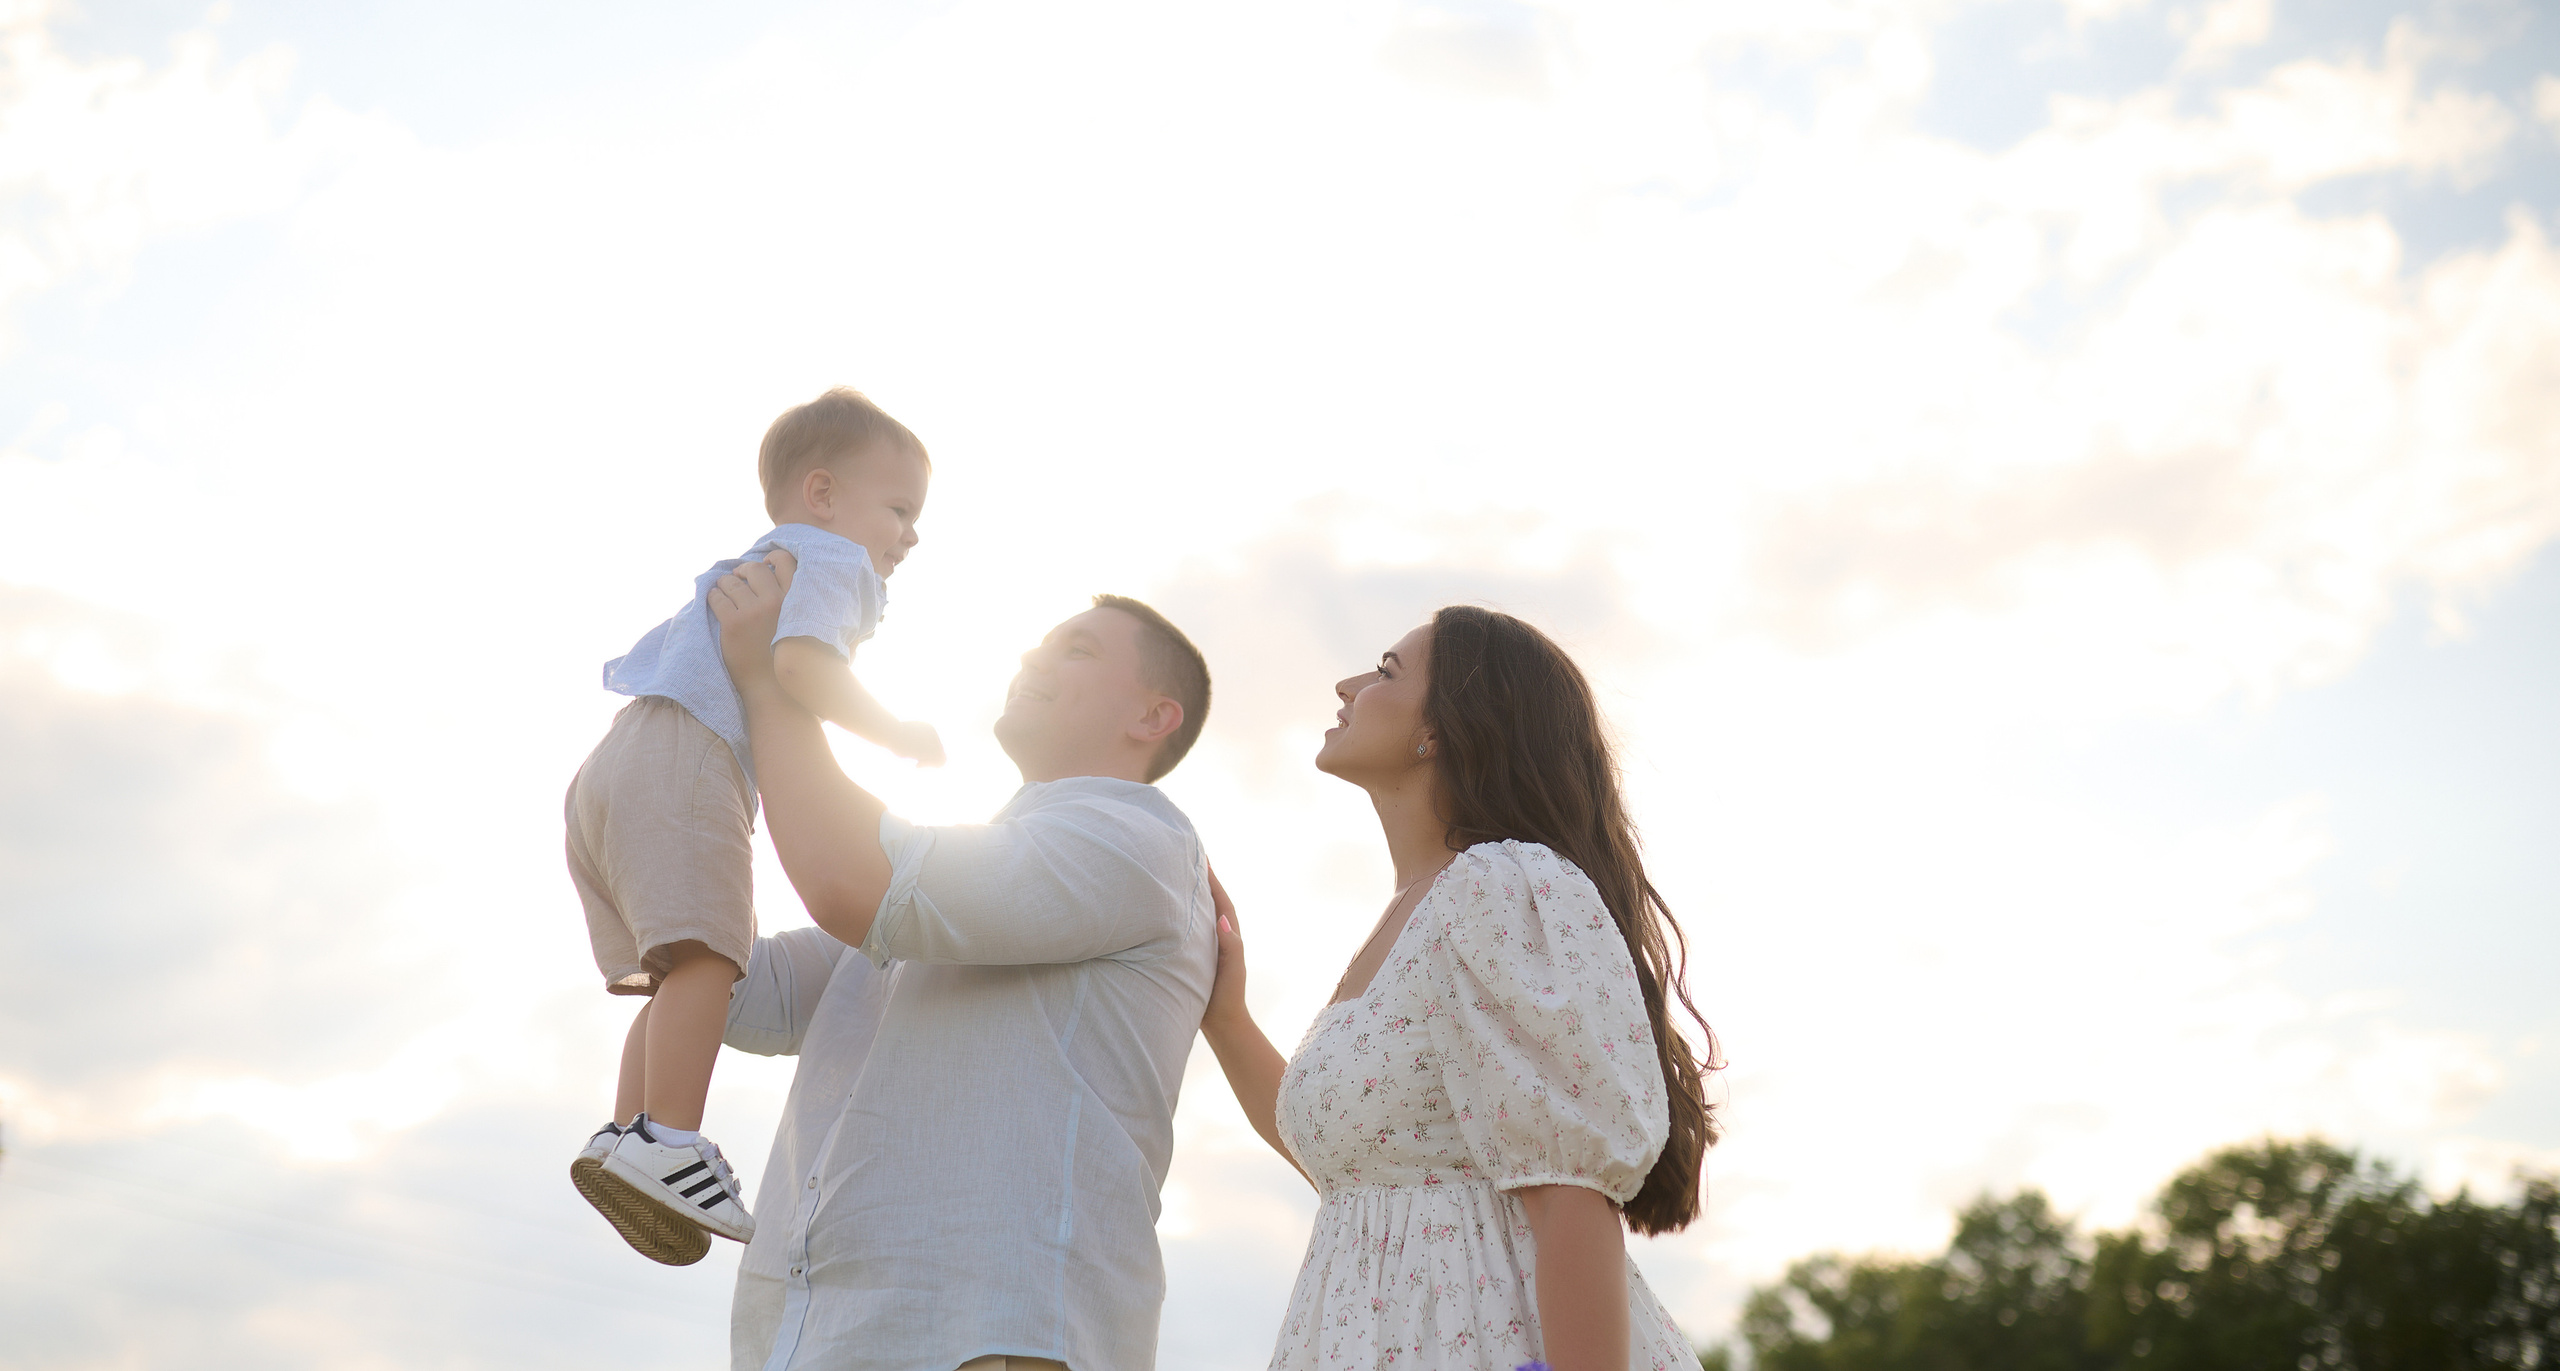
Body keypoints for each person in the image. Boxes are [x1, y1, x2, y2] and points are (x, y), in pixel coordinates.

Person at [708, 554, 1218, 1371]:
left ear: (1155, 715)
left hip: (992, 1337)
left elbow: (850, 883)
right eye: (1041, 643)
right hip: (832, 1335)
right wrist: (653, 815)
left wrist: (772, 684)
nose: (1034, 658)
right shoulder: (970, 872)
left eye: (1078, 649)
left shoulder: (1137, 841)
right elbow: (740, 992)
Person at [1200, 606, 1719, 1371]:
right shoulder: (1411, 912)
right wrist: (1226, 1017)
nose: (1346, 685)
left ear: (1439, 730)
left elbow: (1570, 1194)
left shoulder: (1499, 886)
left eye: (1385, 671)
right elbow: (1361, 1166)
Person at [563, 387, 944, 1267]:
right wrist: (895, 730)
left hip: (615, 766)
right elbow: (803, 666)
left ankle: (627, 1135)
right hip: (690, 757)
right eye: (899, 509)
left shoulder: (765, 559)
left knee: (676, 969)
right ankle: (668, 1137)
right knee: (710, 958)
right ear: (823, 494)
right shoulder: (835, 562)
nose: (910, 536)